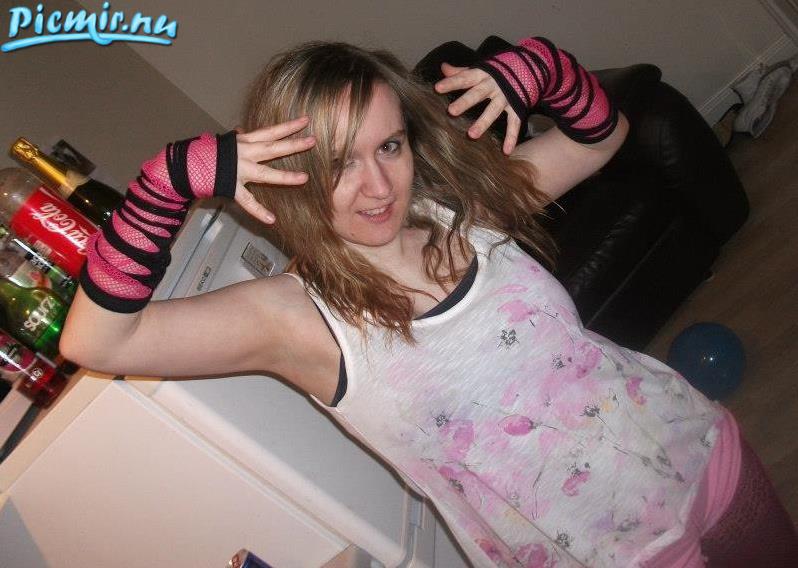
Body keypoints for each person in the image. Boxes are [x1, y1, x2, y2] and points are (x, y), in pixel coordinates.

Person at [60, 39, 797, 567]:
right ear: (290, 174)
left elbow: (600, 138)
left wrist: (544, 70)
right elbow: (97, 342)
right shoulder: (293, 320)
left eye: (389, 147)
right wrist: (164, 184)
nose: (379, 187)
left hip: (697, 449)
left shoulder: (464, 214)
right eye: (340, 164)